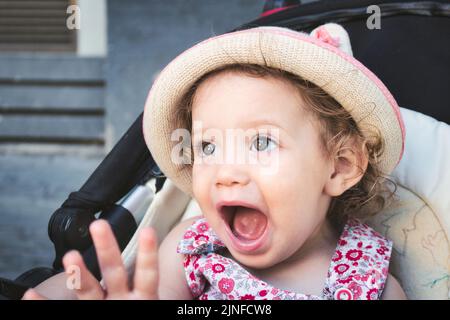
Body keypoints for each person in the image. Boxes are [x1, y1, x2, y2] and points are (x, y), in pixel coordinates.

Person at [23, 23, 407, 300]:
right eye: (208, 147)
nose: (225, 172)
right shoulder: (195, 245)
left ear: (339, 166)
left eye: (261, 141)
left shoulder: (371, 282)